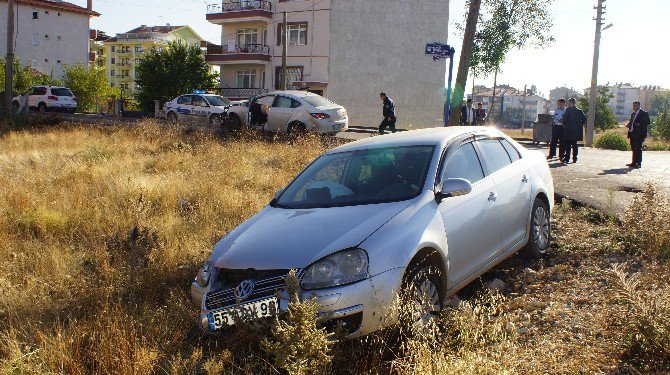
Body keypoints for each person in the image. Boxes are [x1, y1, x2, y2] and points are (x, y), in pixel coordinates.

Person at [560, 98, 586, 163]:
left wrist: (566, 125)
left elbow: (564, 120)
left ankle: (567, 158)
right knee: (574, 144)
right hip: (576, 131)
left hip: (568, 130)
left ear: (571, 103)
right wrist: (579, 125)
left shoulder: (568, 110)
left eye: (569, 102)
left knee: (568, 145)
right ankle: (575, 158)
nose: (568, 104)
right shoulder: (579, 111)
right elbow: (584, 119)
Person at [626, 101, 650, 169]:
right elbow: (632, 122)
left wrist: (639, 124)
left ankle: (638, 164)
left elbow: (647, 122)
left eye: (636, 106)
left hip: (639, 134)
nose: (634, 107)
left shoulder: (644, 113)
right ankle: (634, 163)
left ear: (639, 106)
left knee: (638, 149)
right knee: (633, 148)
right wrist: (629, 124)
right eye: (634, 106)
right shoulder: (633, 113)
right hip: (632, 133)